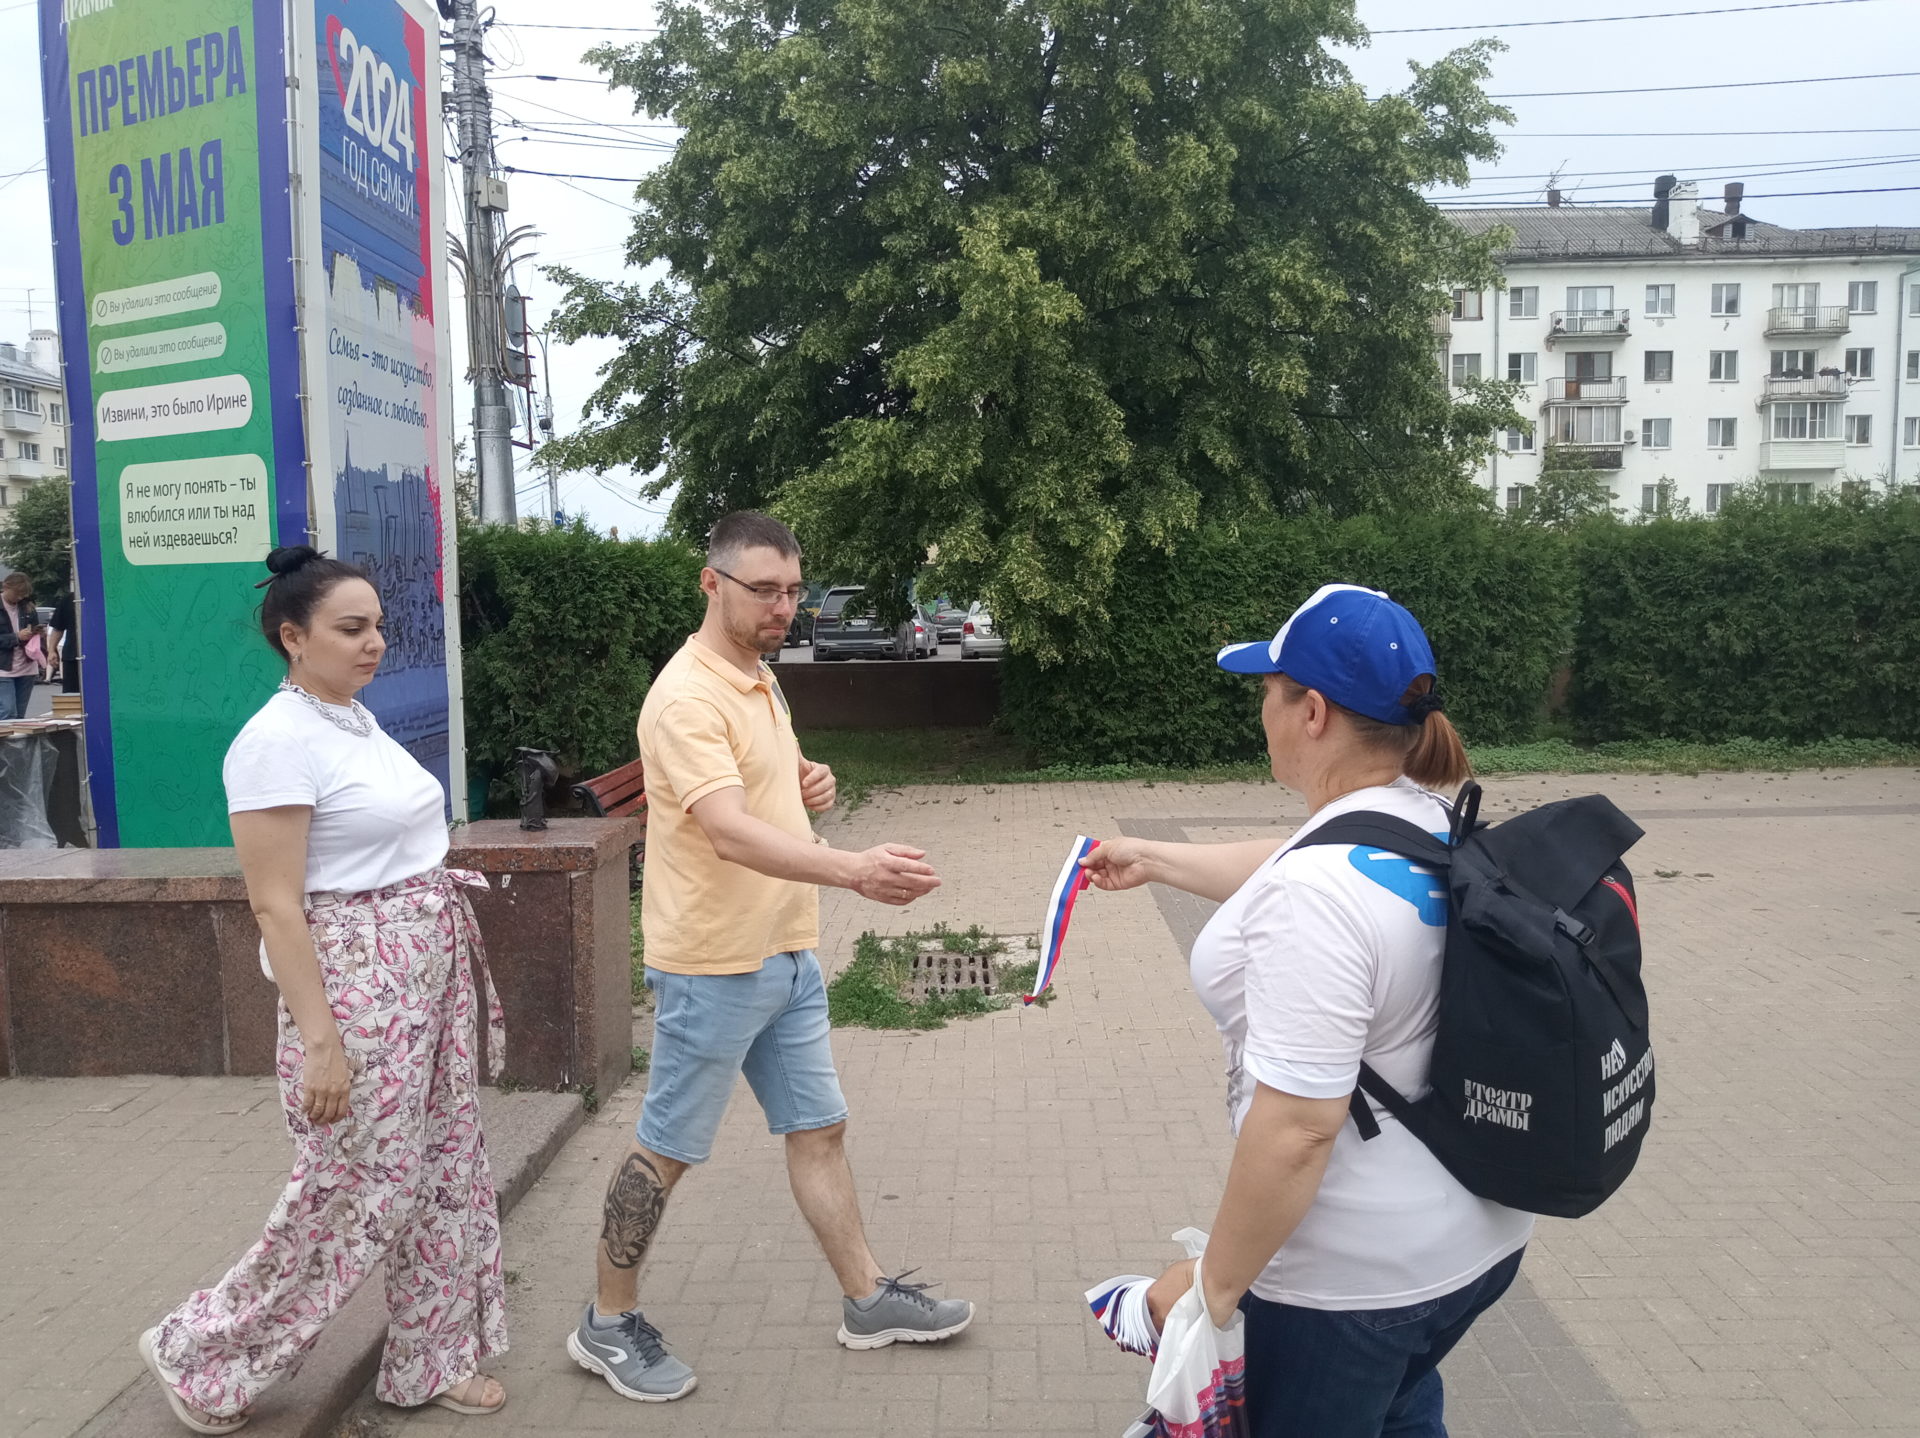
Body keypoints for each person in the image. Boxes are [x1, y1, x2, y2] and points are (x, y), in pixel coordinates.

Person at [1082, 584, 1533, 1438]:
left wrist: (1210, 1289)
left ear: (1313, 712)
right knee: (1400, 1412)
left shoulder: (1315, 897)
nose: (1262, 709)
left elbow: (1297, 1131)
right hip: (1476, 1240)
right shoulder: (1432, 821)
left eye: (1268, 689)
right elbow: (1298, 859)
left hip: (1353, 1288)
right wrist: (1154, 858)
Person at [568, 512, 973, 1404]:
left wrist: (806, 778)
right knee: (666, 1149)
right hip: (714, 963)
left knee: (819, 1130)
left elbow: (761, 786)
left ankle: (866, 1299)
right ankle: (606, 1320)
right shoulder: (687, 696)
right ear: (711, 583)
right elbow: (726, 831)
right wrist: (853, 869)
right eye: (764, 591)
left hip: (785, 951)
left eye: (792, 591)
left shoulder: (758, 677)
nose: (783, 608)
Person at [138, 546, 510, 1434]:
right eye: (351, 628)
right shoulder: (275, 741)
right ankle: (203, 1352)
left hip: (423, 972)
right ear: (293, 637)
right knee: (354, 1190)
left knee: (442, 1169)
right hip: (357, 988)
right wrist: (322, 1042)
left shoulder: (351, 718)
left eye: (378, 625)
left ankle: (431, 1357)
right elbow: (275, 904)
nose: (374, 642)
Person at [1, 571, 45, 718]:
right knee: (8, 711)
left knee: (20, 716)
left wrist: (37, 633)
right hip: (3, 668)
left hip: (27, 667)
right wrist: (16, 637)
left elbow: (34, 631)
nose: (19, 598)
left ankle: (15, 735)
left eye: (23, 595)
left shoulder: (27, 607)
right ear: (5, 587)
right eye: (17, 593)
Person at [48, 589, 78, 694]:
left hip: (104, 657)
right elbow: (58, 628)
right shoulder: (68, 599)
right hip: (72, 657)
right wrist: (51, 650)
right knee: (72, 695)